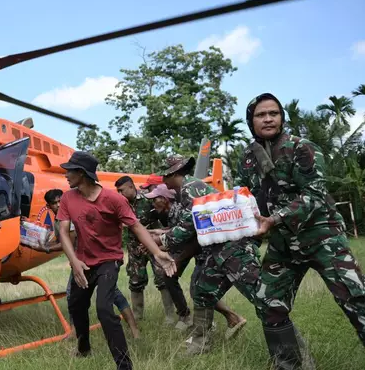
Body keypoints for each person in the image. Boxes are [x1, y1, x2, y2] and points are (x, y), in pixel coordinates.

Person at [236, 92, 365, 369]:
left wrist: (276, 218)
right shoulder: (247, 158)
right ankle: (289, 366)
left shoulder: (301, 147)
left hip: (321, 237)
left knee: (357, 302)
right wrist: (238, 221)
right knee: (268, 303)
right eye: (261, 114)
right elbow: (245, 196)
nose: (268, 118)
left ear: (281, 118)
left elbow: (315, 194)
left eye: (274, 113)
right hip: (282, 243)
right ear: (251, 120)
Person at [56, 151, 176, 370]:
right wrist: (74, 262)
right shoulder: (67, 198)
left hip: (108, 260)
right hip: (82, 260)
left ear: (82, 174)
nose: (66, 175)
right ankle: (84, 348)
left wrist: (157, 253)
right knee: (76, 304)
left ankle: (124, 366)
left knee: (103, 308)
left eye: (69, 171)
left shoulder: (114, 199)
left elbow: (136, 226)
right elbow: (63, 232)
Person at [156, 155, 261, 356]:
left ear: (173, 173)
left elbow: (189, 224)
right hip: (218, 249)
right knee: (202, 291)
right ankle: (200, 344)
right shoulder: (187, 189)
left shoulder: (190, 187)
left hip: (235, 248)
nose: (163, 179)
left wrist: (162, 242)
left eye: (164, 174)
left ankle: (290, 352)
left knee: (262, 298)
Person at [146, 184, 248, 338]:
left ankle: (219, 323)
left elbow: (190, 237)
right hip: (202, 252)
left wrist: (176, 257)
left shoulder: (179, 210)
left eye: (155, 199)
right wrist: (156, 235)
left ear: (165, 199)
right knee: (198, 289)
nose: (153, 203)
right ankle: (226, 320)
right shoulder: (172, 212)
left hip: (206, 253)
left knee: (199, 290)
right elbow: (176, 231)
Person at [39, 189, 140, 339]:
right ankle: (77, 332)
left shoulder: (68, 218)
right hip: (81, 262)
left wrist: (46, 248)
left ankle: (133, 329)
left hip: (94, 260)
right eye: (54, 203)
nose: (59, 205)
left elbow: (69, 241)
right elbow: (62, 241)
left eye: (60, 201)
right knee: (77, 296)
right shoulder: (59, 220)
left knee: (111, 295)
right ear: (49, 206)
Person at [114, 176, 176, 324]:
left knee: (162, 279)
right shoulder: (119, 203)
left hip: (153, 245)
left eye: (121, 190)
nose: (120, 193)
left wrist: (160, 238)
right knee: (135, 281)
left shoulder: (148, 199)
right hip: (135, 249)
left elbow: (163, 218)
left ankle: (170, 316)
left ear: (130, 187)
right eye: (118, 191)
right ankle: (137, 317)